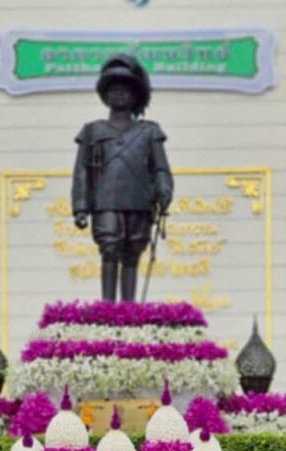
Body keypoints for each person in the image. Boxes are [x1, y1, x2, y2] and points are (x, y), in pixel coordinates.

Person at [71, 53, 174, 302]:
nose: (119, 94)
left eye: (125, 90)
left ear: (135, 96)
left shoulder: (149, 131)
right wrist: (80, 207)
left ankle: (129, 309)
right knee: (109, 249)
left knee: (132, 253)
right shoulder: (92, 131)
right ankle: (108, 308)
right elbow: (82, 171)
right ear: (105, 95)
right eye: (114, 90)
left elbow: (160, 168)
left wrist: (164, 190)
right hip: (105, 201)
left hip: (139, 201)